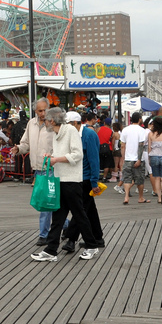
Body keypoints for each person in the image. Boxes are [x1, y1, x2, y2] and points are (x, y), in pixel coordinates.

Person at [30, 107, 99, 262]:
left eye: (46, 119)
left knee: (79, 214)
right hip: (60, 178)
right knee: (58, 216)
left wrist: (56, 159)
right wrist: (52, 156)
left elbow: (78, 154)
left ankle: (91, 245)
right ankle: (51, 250)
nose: (44, 122)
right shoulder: (56, 133)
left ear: (52, 120)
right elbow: (64, 154)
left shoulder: (70, 131)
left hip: (72, 180)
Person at [63, 112, 106, 253]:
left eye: (68, 124)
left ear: (75, 123)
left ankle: (71, 239)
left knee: (79, 209)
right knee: (88, 209)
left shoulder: (89, 135)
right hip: (76, 176)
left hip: (86, 178)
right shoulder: (73, 135)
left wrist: (94, 182)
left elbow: (94, 160)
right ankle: (97, 237)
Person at [14, 100, 54, 243]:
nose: (43, 113)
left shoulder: (54, 123)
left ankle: (44, 234)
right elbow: (26, 143)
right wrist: (18, 149)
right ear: (35, 111)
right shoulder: (31, 123)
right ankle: (65, 225)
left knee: (45, 202)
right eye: (40, 111)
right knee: (49, 202)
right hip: (37, 168)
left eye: (45, 110)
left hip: (51, 168)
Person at [120, 112, 150, 205]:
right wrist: (139, 159)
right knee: (139, 179)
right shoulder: (141, 130)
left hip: (128, 158)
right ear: (140, 119)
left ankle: (126, 197)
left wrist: (123, 158)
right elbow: (141, 145)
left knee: (127, 179)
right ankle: (140, 197)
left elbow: (122, 146)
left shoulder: (125, 129)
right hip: (137, 159)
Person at [146, 116, 162, 206]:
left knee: (157, 178)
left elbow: (149, 147)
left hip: (154, 157)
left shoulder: (150, 134)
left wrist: (149, 159)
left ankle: (159, 197)